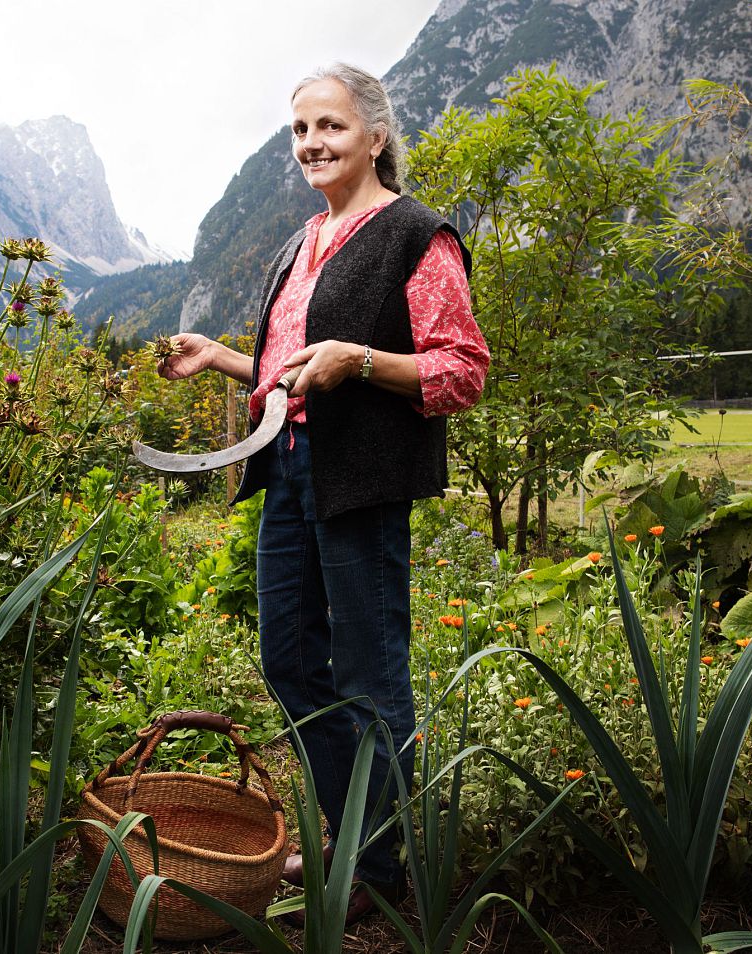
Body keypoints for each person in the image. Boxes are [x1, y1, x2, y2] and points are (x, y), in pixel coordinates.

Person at [157, 62, 489, 926]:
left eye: (331, 127)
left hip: (364, 481)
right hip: (288, 472)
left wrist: (363, 362)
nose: (312, 144)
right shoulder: (299, 244)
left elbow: (461, 372)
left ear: (375, 137)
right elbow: (294, 370)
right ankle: (356, 835)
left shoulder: (415, 235)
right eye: (300, 131)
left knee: (369, 676)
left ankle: (377, 873)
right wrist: (225, 359)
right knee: (288, 662)